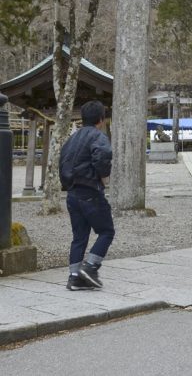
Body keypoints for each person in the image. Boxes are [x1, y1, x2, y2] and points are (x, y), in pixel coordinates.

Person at [60, 100, 115, 291]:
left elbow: (62, 161)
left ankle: (74, 277)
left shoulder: (71, 139)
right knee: (107, 231)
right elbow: (103, 154)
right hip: (90, 191)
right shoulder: (97, 136)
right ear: (101, 119)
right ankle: (90, 267)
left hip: (72, 193)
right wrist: (103, 177)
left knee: (79, 237)